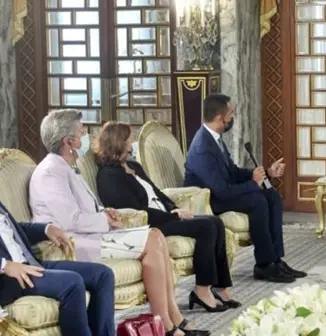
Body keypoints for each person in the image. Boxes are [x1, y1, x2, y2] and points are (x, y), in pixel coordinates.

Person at [29, 109, 209, 336]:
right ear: (69, 141)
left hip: (91, 234)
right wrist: (104, 220)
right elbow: (69, 221)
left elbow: (86, 209)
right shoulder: (49, 172)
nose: (86, 137)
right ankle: (164, 324)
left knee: (156, 236)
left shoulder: (67, 167)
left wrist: (106, 212)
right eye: (82, 133)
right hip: (72, 244)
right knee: (153, 238)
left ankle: (173, 317)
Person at [94, 121, 240, 313]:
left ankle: (220, 287)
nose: (132, 143)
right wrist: (170, 216)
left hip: (166, 214)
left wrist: (176, 208)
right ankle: (202, 290)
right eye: (129, 139)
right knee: (206, 227)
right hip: (152, 224)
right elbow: (134, 209)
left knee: (215, 222)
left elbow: (157, 192)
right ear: (118, 142)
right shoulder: (108, 176)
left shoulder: (133, 166)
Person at [183, 93, 307, 283]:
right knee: (257, 199)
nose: (232, 118)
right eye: (230, 115)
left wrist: (265, 172)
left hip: (222, 192)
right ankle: (264, 265)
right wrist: (253, 184)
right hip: (209, 200)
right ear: (219, 118)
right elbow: (220, 190)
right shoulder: (202, 147)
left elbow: (232, 172)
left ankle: (275, 259)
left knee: (271, 195)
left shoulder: (215, 138)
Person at [0, 201, 115, 336]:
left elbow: (9, 230)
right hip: (9, 277)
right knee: (72, 282)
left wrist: (46, 229)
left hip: (30, 263)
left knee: (103, 274)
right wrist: (4, 265)